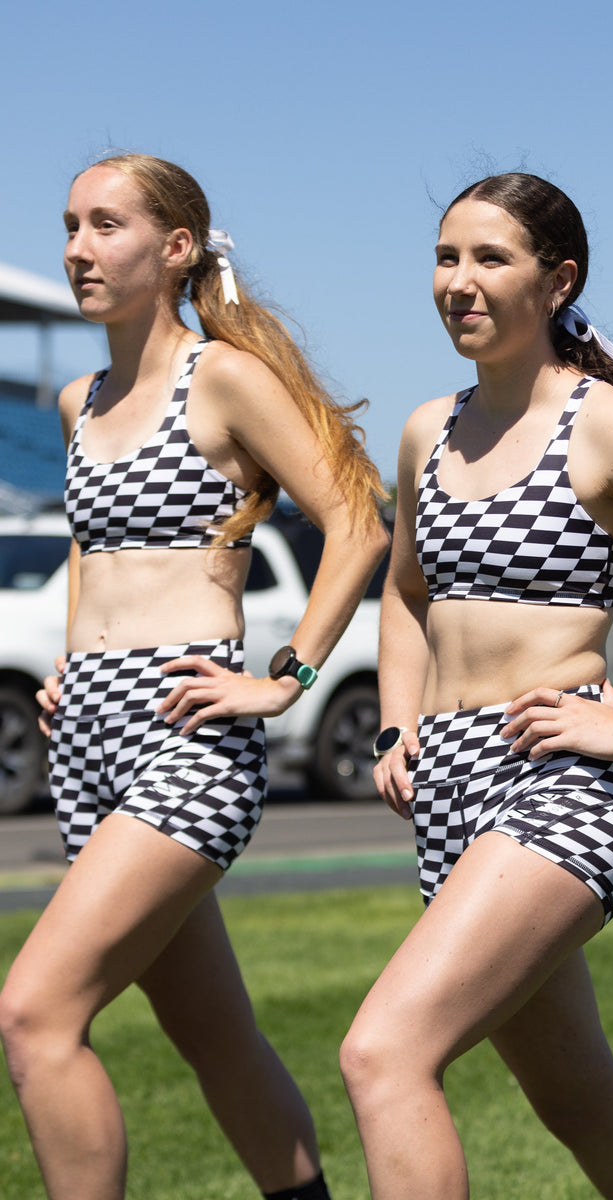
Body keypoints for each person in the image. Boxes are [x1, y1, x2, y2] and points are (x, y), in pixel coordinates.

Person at [338, 171, 613, 1199]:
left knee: (384, 1054)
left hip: (557, 791)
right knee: (583, 1108)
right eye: (447, 258)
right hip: (447, 793)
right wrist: (394, 727)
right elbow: (405, 595)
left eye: (490, 258)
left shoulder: (606, 423)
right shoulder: (427, 430)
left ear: (557, 281)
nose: (460, 281)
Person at [0, 154, 390, 1200]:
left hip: (186, 731)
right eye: (70, 225)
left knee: (35, 1014)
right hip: (87, 736)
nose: (78, 247)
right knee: (213, 1036)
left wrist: (286, 676)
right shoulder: (82, 398)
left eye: (106, 225)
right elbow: (92, 547)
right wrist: (71, 663)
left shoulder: (218, 377)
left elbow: (357, 520)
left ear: (175, 249)